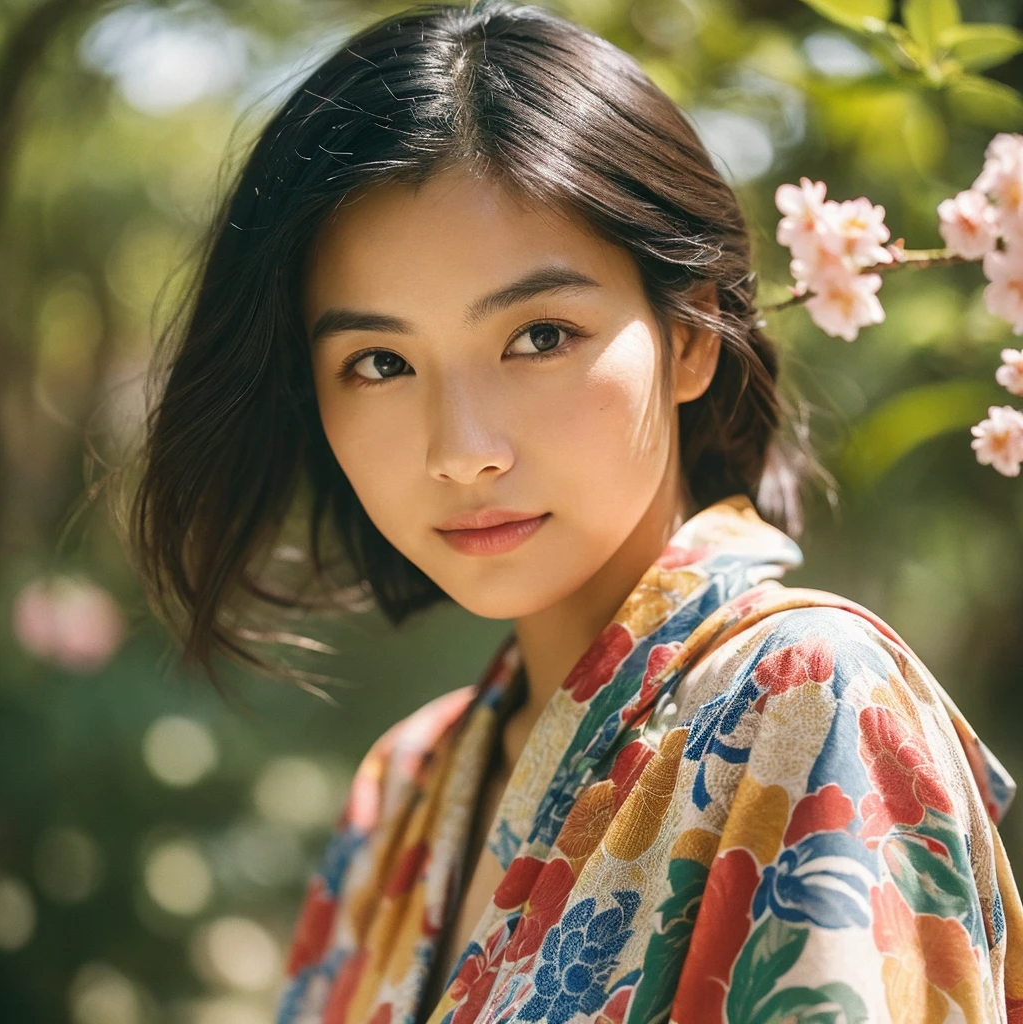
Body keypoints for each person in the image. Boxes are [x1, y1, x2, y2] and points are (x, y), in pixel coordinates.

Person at [119, 1, 1023, 1021]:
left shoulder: (809, 700)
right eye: (379, 362)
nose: (462, 449)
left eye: (540, 334)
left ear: (691, 336)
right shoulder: (402, 789)